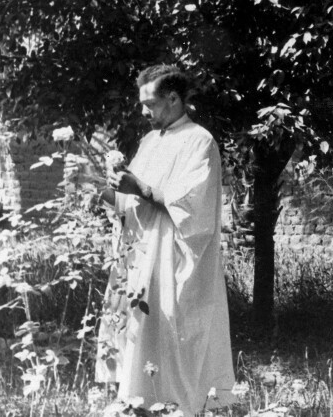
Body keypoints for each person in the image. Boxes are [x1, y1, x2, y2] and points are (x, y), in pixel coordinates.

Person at [95, 65, 236, 414]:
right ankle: (137, 404)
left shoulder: (200, 141)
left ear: (173, 98)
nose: (143, 112)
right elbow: (130, 204)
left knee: (174, 336)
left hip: (173, 257)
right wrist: (96, 188)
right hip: (140, 255)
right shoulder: (148, 142)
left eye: (150, 103)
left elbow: (194, 206)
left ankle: (178, 408)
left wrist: (139, 187)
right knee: (137, 332)